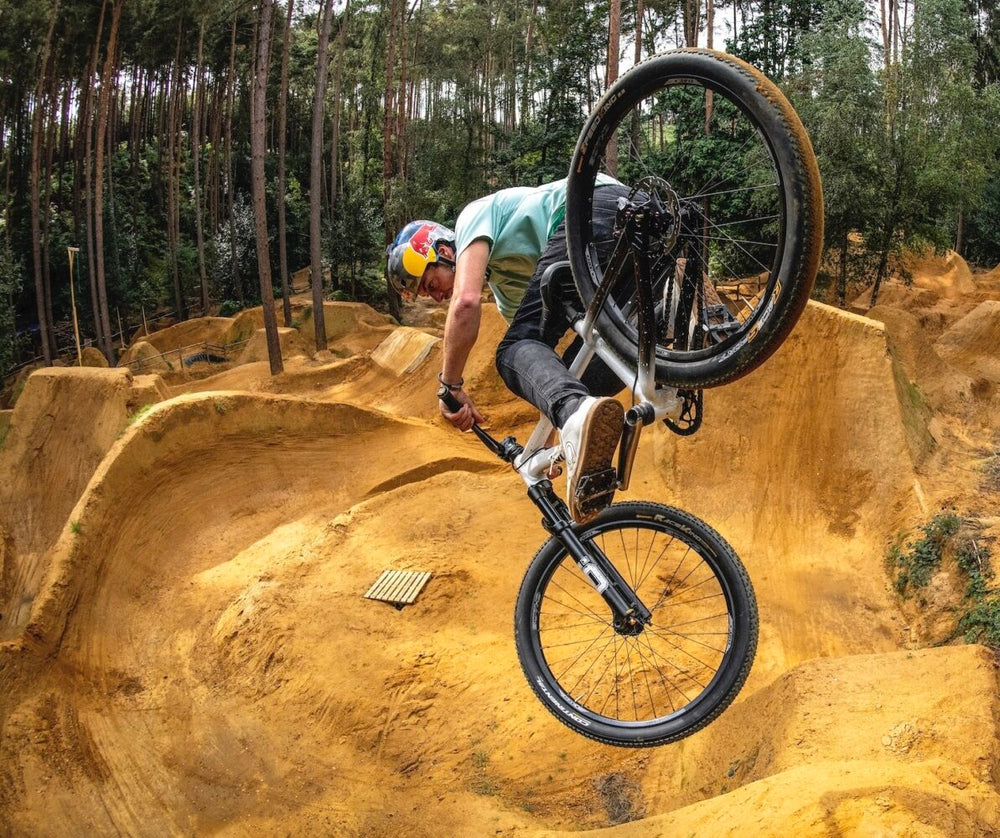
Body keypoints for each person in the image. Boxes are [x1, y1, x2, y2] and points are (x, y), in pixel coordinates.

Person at [386, 176, 632, 523]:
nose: (438, 296)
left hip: (591, 210)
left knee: (509, 351)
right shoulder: (508, 288)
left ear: (442, 251)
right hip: (634, 227)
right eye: (429, 295)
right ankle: (669, 316)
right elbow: (543, 361)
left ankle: (576, 416)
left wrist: (450, 386)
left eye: (431, 284)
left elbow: (466, 302)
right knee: (584, 361)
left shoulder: (473, 216)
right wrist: (545, 441)